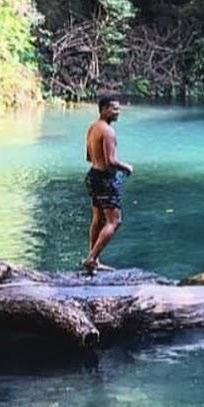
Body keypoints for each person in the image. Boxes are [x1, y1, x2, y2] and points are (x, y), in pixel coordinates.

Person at [82, 95, 133, 274]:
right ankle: (91, 259)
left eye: (118, 109)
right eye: (114, 109)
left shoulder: (92, 127)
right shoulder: (108, 132)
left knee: (98, 218)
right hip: (105, 179)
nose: (117, 112)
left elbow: (89, 157)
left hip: (93, 176)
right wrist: (126, 167)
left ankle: (93, 259)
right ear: (104, 109)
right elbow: (111, 161)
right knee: (114, 221)